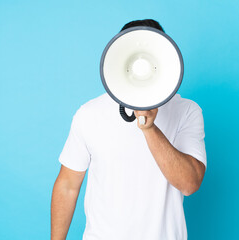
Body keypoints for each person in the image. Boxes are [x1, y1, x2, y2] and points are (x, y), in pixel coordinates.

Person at [51, 19, 207, 240]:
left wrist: (150, 128)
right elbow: (67, 185)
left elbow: (189, 184)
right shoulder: (89, 114)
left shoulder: (187, 111)